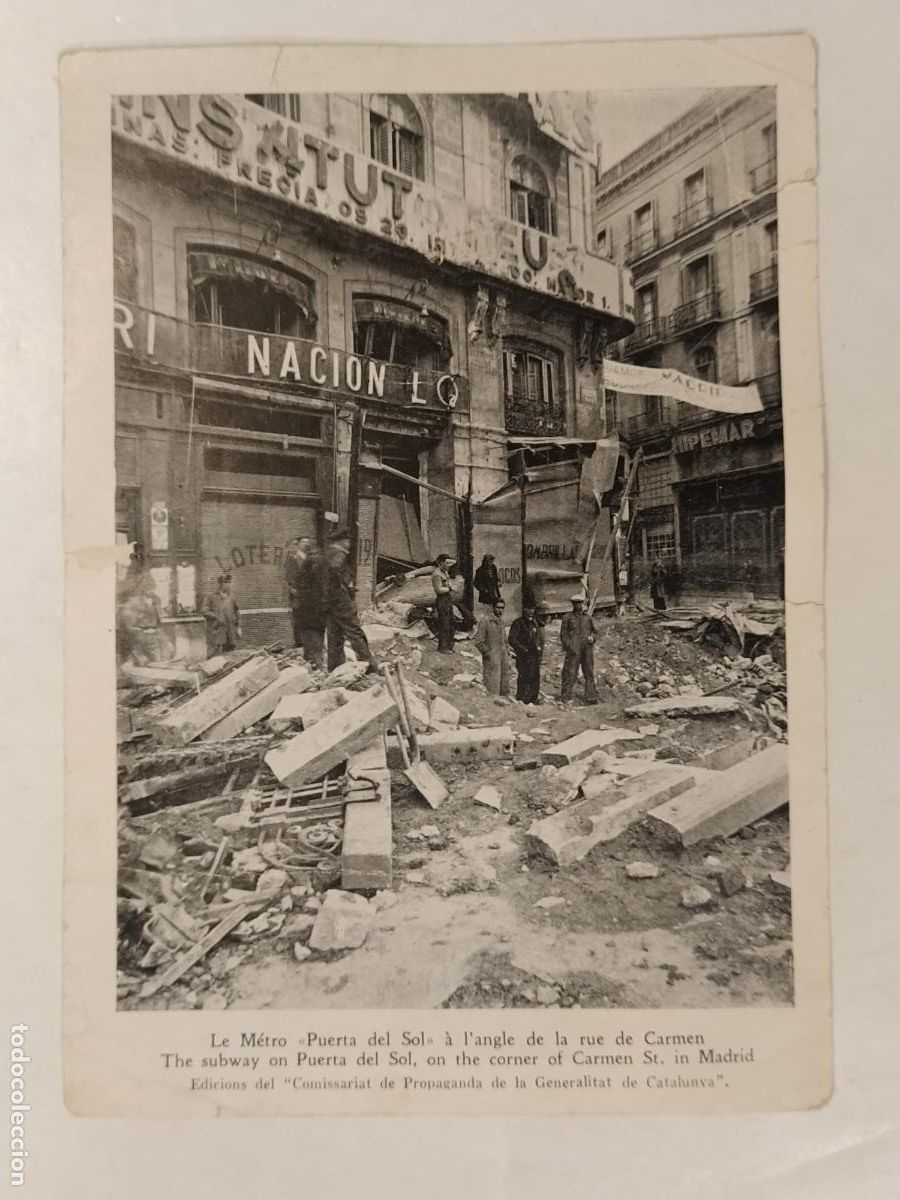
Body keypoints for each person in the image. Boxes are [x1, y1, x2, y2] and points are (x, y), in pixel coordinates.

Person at [324, 529, 378, 673]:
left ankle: (335, 669)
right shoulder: (338, 554)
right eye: (347, 541)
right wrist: (347, 587)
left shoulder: (327, 554)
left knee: (334, 636)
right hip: (341, 602)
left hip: (329, 603)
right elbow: (336, 573)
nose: (349, 544)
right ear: (341, 540)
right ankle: (369, 665)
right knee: (354, 632)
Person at [560, 592, 599, 704]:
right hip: (574, 649)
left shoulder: (588, 618)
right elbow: (563, 635)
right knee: (570, 672)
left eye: (581, 603)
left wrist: (592, 637)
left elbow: (594, 631)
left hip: (587, 648)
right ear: (573, 604)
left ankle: (591, 696)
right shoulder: (567, 618)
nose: (580, 606)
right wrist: (569, 646)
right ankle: (566, 696)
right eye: (578, 604)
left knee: (589, 672)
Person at [119, 571, 163, 664]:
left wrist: (157, 633)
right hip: (138, 638)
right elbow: (128, 627)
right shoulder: (133, 602)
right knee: (141, 663)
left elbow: (158, 620)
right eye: (146, 585)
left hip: (154, 637)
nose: (150, 588)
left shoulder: (156, 599)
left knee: (158, 663)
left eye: (151, 585)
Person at [507, 601, 544, 704]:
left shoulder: (535, 622)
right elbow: (512, 639)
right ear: (524, 610)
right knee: (524, 676)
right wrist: (522, 649)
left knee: (535, 676)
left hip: (534, 654)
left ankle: (533, 698)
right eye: (529, 609)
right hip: (523, 655)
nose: (531, 611)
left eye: (533, 609)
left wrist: (539, 650)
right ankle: (523, 699)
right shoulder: (518, 623)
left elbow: (539, 638)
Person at [473, 598, 510, 696]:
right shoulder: (485, 621)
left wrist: (507, 651)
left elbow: (504, 639)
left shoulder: (501, 621)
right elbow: (478, 642)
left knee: (504, 684)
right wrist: (488, 654)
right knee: (492, 688)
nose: (500, 610)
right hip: (491, 659)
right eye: (498, 607)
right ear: (493, 607)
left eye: (502, 608)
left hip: (503, 657)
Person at [202, 572, 241, 654]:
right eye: (228, 583)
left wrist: (238, 627)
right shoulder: (211, 596)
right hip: (216, 631)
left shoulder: (231, 596)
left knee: (229, 655)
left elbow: (237, 610)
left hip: (230, 632)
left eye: (230, 583)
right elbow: (204, 611)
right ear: (221, 584)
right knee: (213, 656)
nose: (230, 585)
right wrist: (217, 616)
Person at [284, 535, 311, 647]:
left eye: (307, 542)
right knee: (298, 617)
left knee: (306, 616)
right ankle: (299, 642)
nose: (306, 544)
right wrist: (292, 588)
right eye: (303, 543)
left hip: (306, 593)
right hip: (297, 593)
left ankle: (305, 641)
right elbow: (289, 576)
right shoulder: (292, 558)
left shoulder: (306, 557)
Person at [431, 553, 456, 653]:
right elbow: (438, 590)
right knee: (444, 623)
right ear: (441, 562)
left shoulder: (445, 572)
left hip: (448, 599)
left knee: (451, 622)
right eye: (446, 563)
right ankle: (443, 647)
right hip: (442, 600)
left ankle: (450, 646)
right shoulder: (437, 574)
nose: (449, 565)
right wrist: (449, 588)